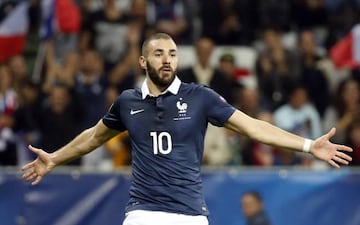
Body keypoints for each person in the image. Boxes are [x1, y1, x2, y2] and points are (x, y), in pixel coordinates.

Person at [22, 33, 353, 225]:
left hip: (189, 216)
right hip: (142, 214)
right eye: (158, 53)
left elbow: (253, 127)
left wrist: (309, 146)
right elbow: (93, 138)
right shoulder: (127, 102)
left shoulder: (200, 97)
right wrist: (54, 158)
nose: (167, 60)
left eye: (173, 54)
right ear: (142, 62)